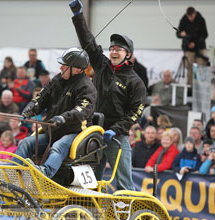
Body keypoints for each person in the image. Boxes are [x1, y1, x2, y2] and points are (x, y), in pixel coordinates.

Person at [69, 0, 146, 190]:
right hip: (93, 133)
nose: (113, 51)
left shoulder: (136, 82)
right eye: (111, 48)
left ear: (128, 54)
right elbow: (88, 42)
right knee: (88, 185)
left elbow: (135, 113)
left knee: (124, 185)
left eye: (118, 49)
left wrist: (116, 130)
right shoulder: (101, 64)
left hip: (116, 137)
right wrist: (78, 16)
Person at [12, 47, 97, 179]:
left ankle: (43, 174)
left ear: (77, 69)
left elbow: (81, 110)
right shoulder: (58, 80)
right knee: (25, 143)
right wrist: (30, 108)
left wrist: (63, 118)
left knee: (58, 147)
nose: (60, 68)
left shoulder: (87, 87)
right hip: (52, 131)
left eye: (64, 65)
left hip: (75, 133)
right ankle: (13, 174)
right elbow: (41, 97)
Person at [176, 6, 209, 87]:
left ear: (195, 14)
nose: (190, 18)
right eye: (189, 17)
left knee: (200, 68)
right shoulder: (184, 20)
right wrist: (181, 34)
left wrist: (195, 43)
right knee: (189, 68)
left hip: (200, 47)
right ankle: (190, 88)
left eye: (192, 16)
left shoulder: (201, 19)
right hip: (189, 49)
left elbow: (205, 34)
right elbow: (178, 33)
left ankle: (200, 87)